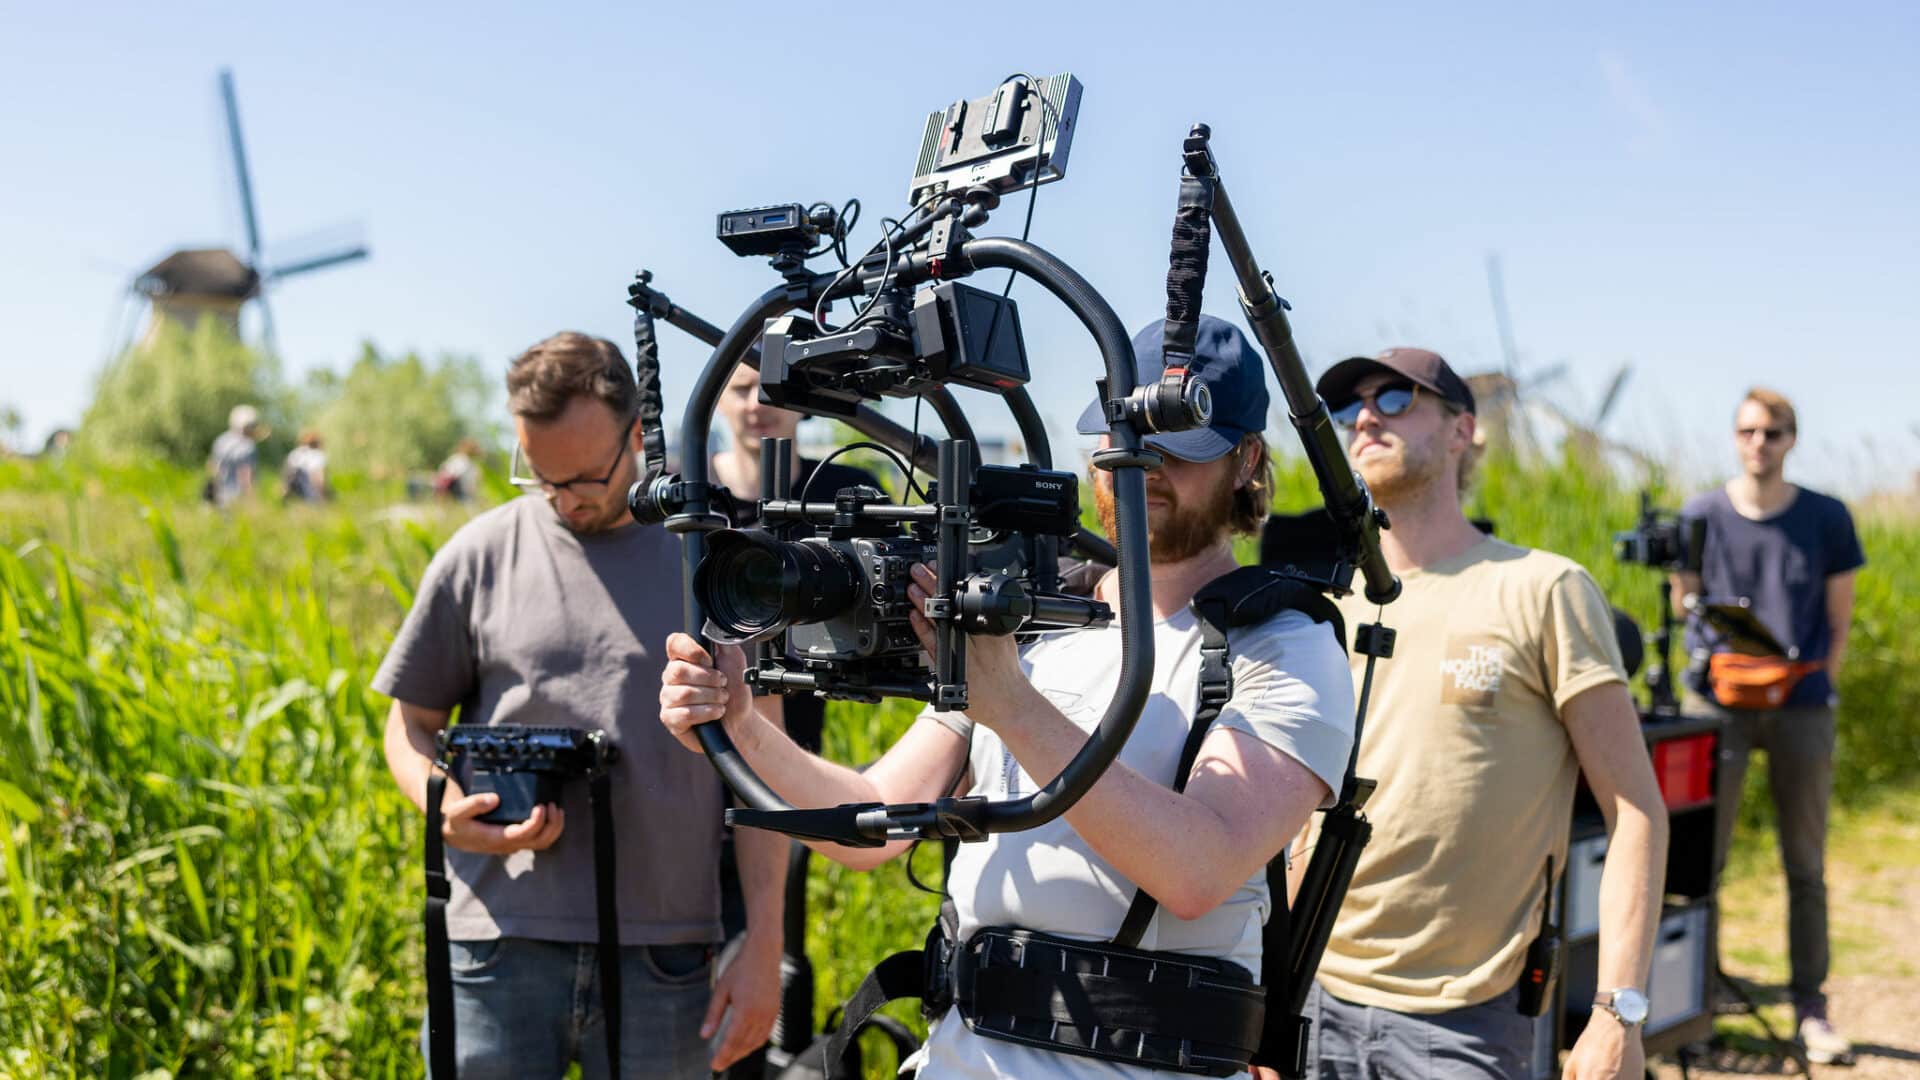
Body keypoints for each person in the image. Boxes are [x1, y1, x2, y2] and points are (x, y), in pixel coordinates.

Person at [661, 316, 1358, 1079]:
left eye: (1176, 449)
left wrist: (1013, 706)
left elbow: (1199, 869)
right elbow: (873, 818)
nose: (1141, 468)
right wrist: (741, 725)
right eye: (1123, 443)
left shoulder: (1282, 642)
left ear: (1246, 459)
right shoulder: (1032, 620)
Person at [376, 331, 783, 1079]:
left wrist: (763, 945)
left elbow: (766, 777)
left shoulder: (714, 568)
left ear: (638, 434)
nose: (565, 501)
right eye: (541, 478)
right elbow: (410, 725)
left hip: (666, 957)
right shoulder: (479, 555)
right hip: (496, 947)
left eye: (584, 479)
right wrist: (439, 804)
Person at [1303, 348, 1669, 1080]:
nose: (1366, 416)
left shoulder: (1543, 590)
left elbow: (1636, 811)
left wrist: (1616, 1010)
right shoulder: (1324, 608)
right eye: (1351, 407)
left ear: (1462, 430)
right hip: (1310, 1001)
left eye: (1397, 398)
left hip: (1467, 1021)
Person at [1673, 387, 1864, 1065]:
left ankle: (1810, 1004)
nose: (1761, 443)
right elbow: (1684, 602)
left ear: (1791, 440)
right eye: (1750, 430)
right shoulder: (1701, 513)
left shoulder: (1826, 517)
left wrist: (1823, 681)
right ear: (1734, 436)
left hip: (1803, 704)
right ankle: (1697, 999)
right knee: (1700, 861)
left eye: (1774, 432)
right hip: (1717, 703)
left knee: (1805, 864)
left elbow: (1839, 618)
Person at [207, 404, 266, 506]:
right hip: (238, 497)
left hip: (220, 494)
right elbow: (245, 474)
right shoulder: (247, 445)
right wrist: (252, 498)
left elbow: (212, 467)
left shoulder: (221, 440)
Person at [282, 430, 329, 503]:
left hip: (294, 481)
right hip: (307, 480)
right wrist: (322, 493)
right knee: (314, 500)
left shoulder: (296, 452)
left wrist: (285, 486)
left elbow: (288, 470)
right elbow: (318, 475)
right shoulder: (318, 454)